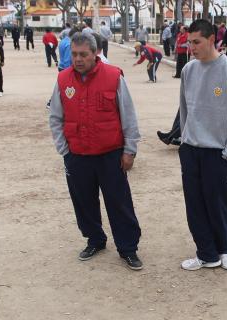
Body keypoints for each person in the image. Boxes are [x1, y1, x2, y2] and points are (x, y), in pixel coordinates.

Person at [48, 32, 143, 271]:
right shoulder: (63, 80)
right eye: (74, 54)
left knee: (119, 202)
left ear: (95, 53)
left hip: (110, 154)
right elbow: (55, 118)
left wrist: (130, 150)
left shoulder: (113, 77)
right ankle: (95, 239)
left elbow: (128, 116)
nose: (78, 59)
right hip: (77, 155)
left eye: (83, 54)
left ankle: (128, 248)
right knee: (83, 202)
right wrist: (64, 150)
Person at [178, 19, 227, 271]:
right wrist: (185, 141)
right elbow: (184, 110)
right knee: (194, 204)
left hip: (217, 152)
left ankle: (222, 249)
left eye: (196, 42)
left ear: (211, 40)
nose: (192, 47)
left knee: (217, 203)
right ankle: (206, 253)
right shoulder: (188, 70)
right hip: (191, 149)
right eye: (189, 43)